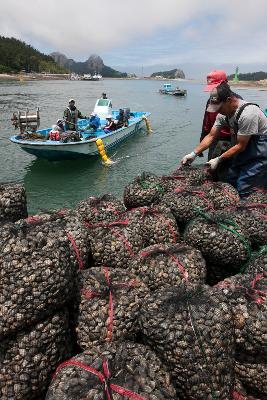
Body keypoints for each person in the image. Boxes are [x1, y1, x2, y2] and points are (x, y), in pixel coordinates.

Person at [181, 82, 267, 198]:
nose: (218, 111)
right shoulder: (223, 114)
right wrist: (193, 153)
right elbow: (211, 136)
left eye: (219, 107)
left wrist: (219, 159)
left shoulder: (248, 114)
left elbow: (242, 145)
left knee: (245, 187)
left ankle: (246, 211)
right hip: (241, 151)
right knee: (230, 181)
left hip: (258, 154)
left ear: (229, 100)